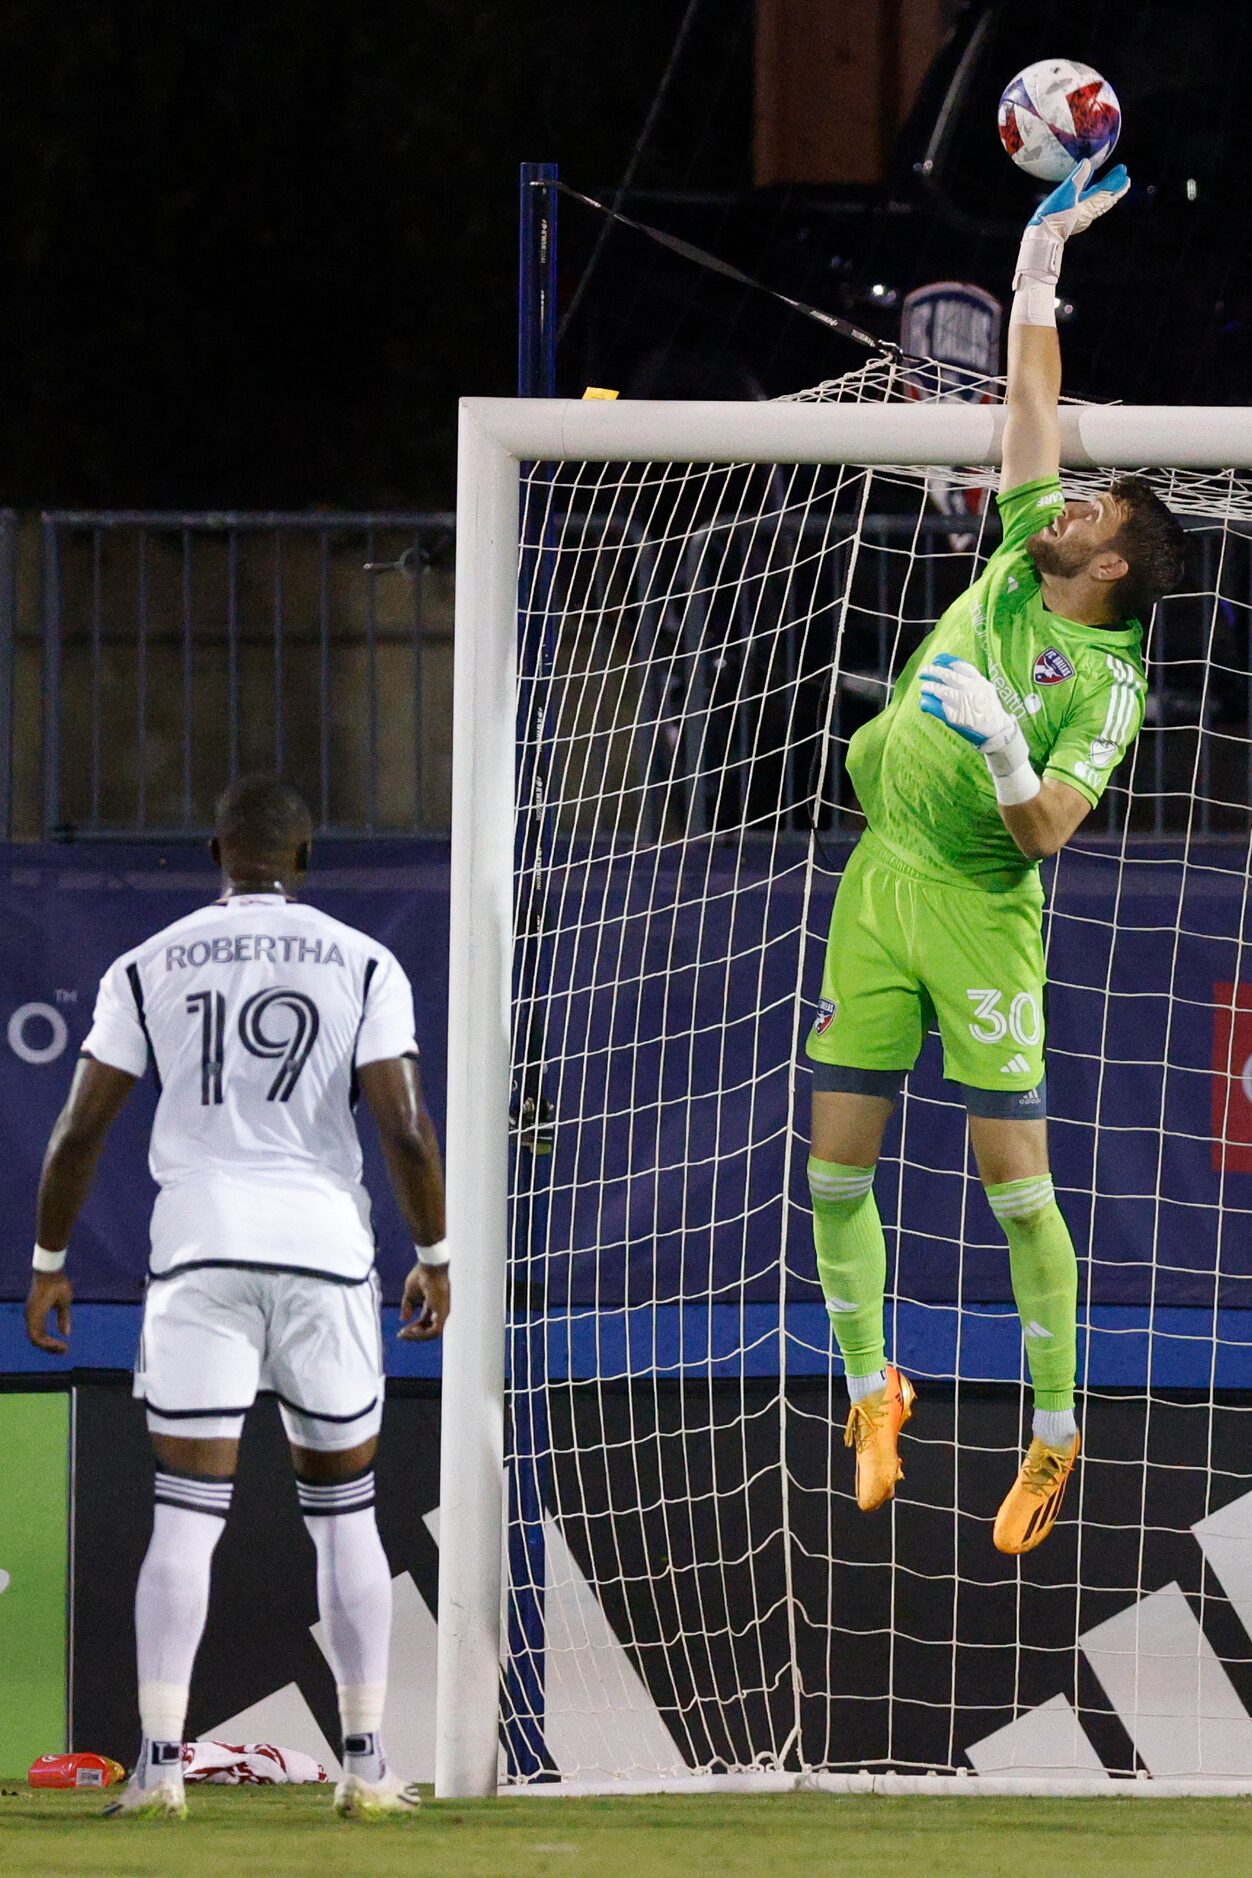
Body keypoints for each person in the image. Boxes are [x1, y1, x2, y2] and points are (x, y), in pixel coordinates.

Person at [805, 158, 1186, 1554]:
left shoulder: (1109, 682)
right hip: (880, 876)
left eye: (1093, 514)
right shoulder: (1031, 547)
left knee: (1013, 1180)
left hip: (979, 905)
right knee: (834, 1172)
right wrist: (1037, 271)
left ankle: (1053, 1429)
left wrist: (1012, 755)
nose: (1067, 503)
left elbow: (1050, 834)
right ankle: (871, 1385)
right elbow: (1028, 414)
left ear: (1119, 570)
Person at [24, 774, 450, 1820]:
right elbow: (401, 1126)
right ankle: (364, 1763)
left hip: (200, 1251)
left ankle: (160, 1765)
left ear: (216, 852)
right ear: (305, 859)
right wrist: (433, 1251)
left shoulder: (147, 962)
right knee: (346, 1514)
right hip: (322, 1251)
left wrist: (47, 1261)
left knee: (185, 1513)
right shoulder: (366, 962)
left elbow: (80, 1131)